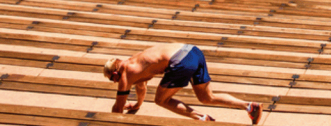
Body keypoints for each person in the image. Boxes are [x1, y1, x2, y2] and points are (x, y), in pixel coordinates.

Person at [103, 43, 261, 123]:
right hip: (193, 51)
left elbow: (117, 109)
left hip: (180, 62)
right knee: (207, 97)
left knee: (160, 100)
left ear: (115, 73)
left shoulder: (125, 75)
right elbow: (141, 86)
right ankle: (250, 106)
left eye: (111, 79)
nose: (114, 82)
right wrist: (137, 105)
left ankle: (202, 119)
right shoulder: (134, 60)